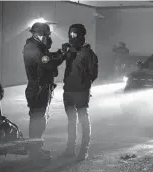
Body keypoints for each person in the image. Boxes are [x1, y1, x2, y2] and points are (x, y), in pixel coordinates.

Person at [23, 22, 66, 161]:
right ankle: (34, 153)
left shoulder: (37, 47)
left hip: (41, 88)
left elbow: (48, 56)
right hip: (37, 89)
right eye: (46, 35)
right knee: (37, 121)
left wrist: (60, 52)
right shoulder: (32, 48)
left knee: (40, 120)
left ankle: (37, 148)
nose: (48, 38)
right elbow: (48, 63)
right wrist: (63, 56)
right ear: (37, 35)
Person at [62, 24, 98, 161]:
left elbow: (93, 74)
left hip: (81, 92)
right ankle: (70, 149)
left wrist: (83, 84)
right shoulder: (69, 52)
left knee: (83, 120)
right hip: (69, 91)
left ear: (82, 36)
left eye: (74, 35)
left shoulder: (89, 54)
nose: (72, 38)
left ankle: (84, 151)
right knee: (71, 121)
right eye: (70, 35)